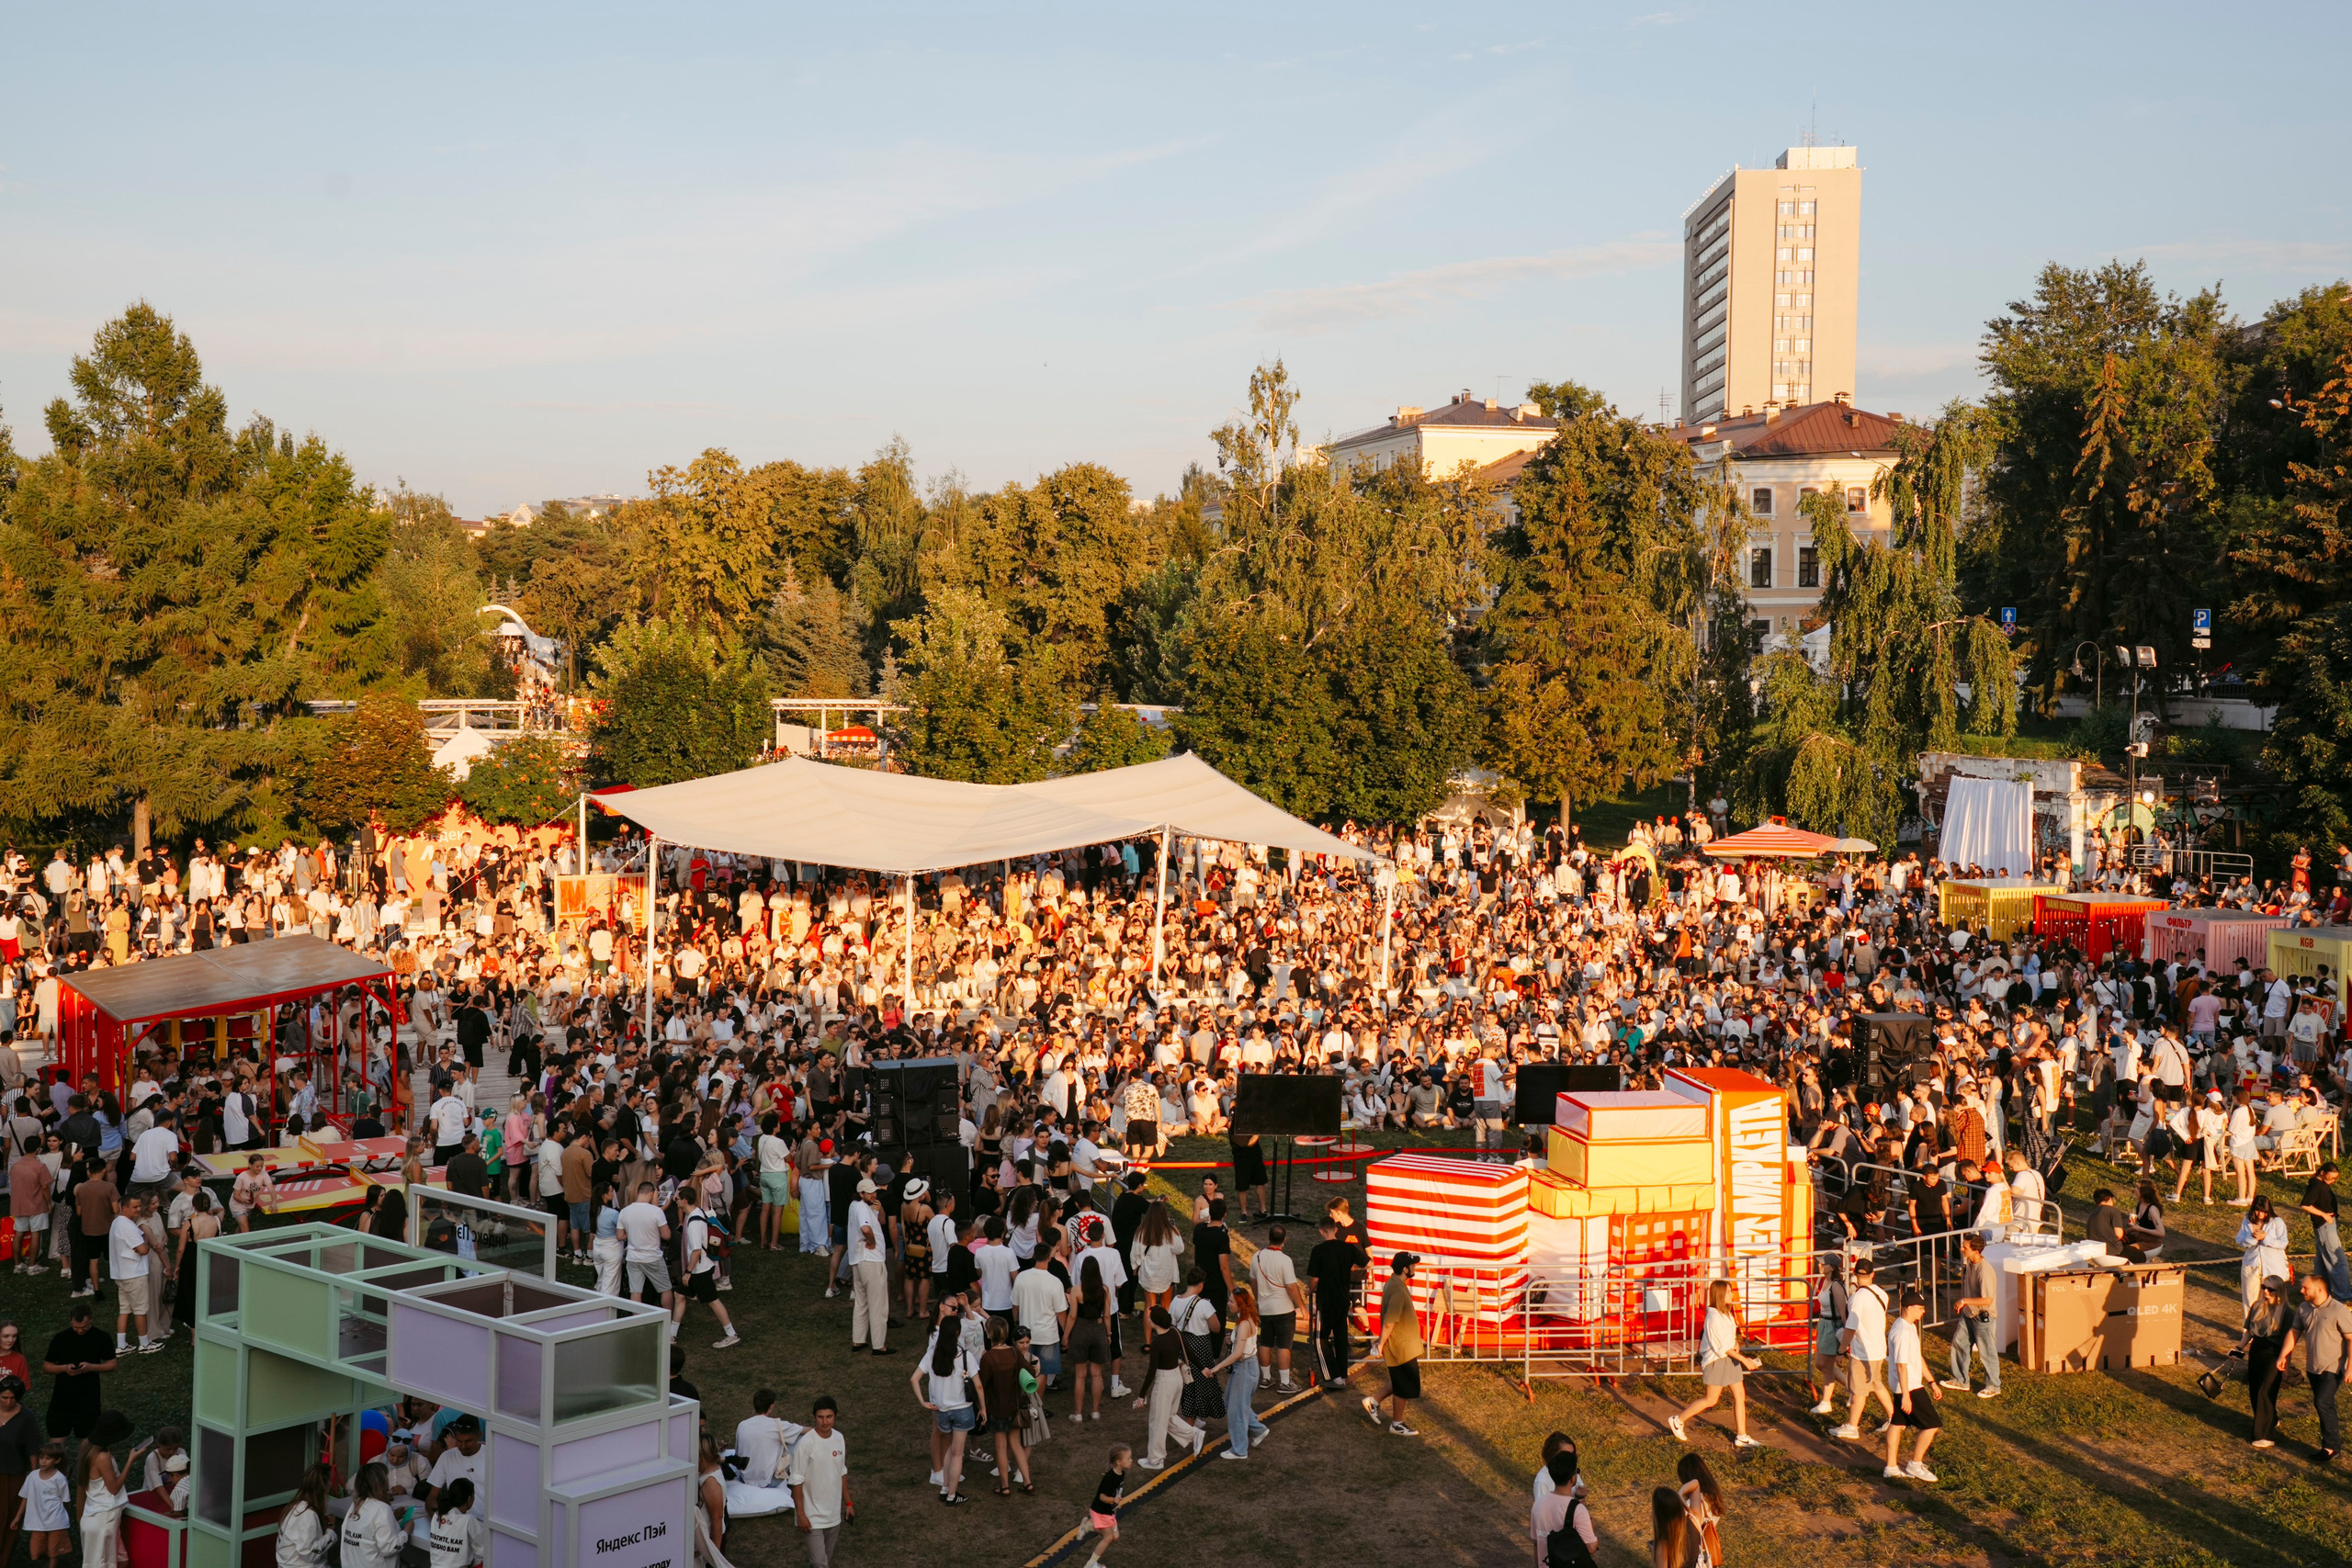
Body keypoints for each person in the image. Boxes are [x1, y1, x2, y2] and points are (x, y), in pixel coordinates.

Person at [1669, 1280, 1764, 1447]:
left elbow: (1728, 1339)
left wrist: (1736, 1344)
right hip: (1716, 1361)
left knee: (1740, 1395)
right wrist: (1743, 1360)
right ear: (1720, 1294)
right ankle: (1678, 1420)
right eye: (1728, 1292)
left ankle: (1742, 1435)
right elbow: (1720, 1347)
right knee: (1711, 1400)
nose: (1732, 1294)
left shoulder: (1727, 1313)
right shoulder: (1713, 1317)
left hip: (1730, 1358)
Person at [2277, 1270, 2349, 1462]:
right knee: (2324, 1404)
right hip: (2313, 1367)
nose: (2301, 1290)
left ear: (2319, 1289)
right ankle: (2331, 1444)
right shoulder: (2304, 1308)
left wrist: (2350, 1367)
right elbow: (2294, 1332)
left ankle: (2331, 1447)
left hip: (2333, 1368)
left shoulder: (2338, 1310)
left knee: (2322, 1402)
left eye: (2305, 1287)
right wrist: (2283, 1355)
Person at [911, 1301, 979, 1506]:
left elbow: (914, 1379)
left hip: (941, 1410)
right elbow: (979, 1386)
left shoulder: (932, 1354)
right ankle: (952, 1494)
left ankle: (944, 1487)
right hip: (962, 1410)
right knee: (957, 1453)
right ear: (957, 1333)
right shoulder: (964, 1356)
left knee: (950, 1449)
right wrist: (983, 1407)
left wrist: (923, 1402)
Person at [1830, 1258, 1894, 1441]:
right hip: (1878, 1348)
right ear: (1873, 1274)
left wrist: (1841, 1351)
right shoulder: (1881, 1293)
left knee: (1858, 1390)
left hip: (1863, 1350)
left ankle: (1852, 1426)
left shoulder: (1858, 1297)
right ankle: (1894, 1417)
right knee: (1875, 1382)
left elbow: (1851, 1327)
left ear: (1855, 1275)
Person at [1883, 1287, 1943, 1483]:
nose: (1923, 1312)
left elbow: (1917, 1357)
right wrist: (1907, 1395)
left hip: (1908, 1384)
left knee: (1897, 1423)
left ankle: (1891, 1467)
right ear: (1908, 1308)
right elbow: (1901, 1365)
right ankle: (1915, 1464)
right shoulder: (1901, 1331)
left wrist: (1932, 1381)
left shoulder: (1909, 1327)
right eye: (1920, 1308)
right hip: (1909, 1386)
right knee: (1932, 1424)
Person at [786, 1395, 852, 1567]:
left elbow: (841, 1472)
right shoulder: (806, 1443)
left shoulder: (839, 1438)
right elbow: (796, 1480)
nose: (825, 1421)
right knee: (820, 1563)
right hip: (811, 1516)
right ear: (814, 1417)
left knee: (823, 1560)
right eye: (820, 1417)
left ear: (835, 1416)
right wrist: (801, 1514)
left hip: (833, 1514)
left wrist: (849, 1503)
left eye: (829, 1417)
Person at [1207, 1284, 1270, 1459]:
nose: (1228, 1303)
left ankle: (1239, 1450)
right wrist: (1231, 1340)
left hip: (1244, 1369)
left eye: (1231, 1301)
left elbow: (1238, 1354)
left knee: (1237, 1411)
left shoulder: (1243, 1324)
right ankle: (1259, 1429)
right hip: (1245, 1368)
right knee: (1232, 1402)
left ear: (1240, 1304)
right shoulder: (1246, 1319)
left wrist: (1217, 1368)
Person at [1136, 1306, 1203, 1469]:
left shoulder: (1157, 1343)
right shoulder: (1174, 1332)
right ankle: (1194, 1434)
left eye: (1150, 1317)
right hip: (1176, 1379)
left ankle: (1156, 1459)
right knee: (1168, 1417)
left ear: (1156, 1323)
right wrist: (1202, 1368)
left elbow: (1151, 1372)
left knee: (1157, 1421)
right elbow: (1189, 1351)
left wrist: (1141, 1395)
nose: (1148, 1319)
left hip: (1164, 1382)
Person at [1365, 1252, 1423, 1438]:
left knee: (1400, 1379)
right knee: (1405, 1384)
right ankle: (1396, 1423)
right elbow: (1390, 1321)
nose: (1415, 1267)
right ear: (1405, 1269)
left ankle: (1373, 1401)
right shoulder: (1398, 1289)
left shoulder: (1394, 1283)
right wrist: (1381, 1343)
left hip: (1403, 1344)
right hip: (1401, 1346)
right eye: (1413, 1265)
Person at [976, 1316, 1035, 1494]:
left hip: (997, 1409)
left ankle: (1005, 1486)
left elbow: (982, 1384)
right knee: (1016, 1445)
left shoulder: (988, 1358)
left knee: (1001, 1447)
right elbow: (1030, 1371)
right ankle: (1027, 1482)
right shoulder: (1014, 1353)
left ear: (990, 1333)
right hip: (1015, 1407)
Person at [1306, 1215, 1363, 1391]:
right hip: (1343, 1298)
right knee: (1340, 1338)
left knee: (1320, 1338)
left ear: (1321, 1231)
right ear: (1336, 1229)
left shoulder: (1318, 1251)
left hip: (1326, 1299)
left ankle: (1333, 1376)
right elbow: (1367, 1263)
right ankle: (1343, 1376)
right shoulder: (1348, 1249)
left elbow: (1314, 1279)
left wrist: (1310, 1290)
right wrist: (1351, 1267)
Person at [40, 1303, 114, 1440]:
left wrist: (91, 1367)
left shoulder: (101, 1337)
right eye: (76, 1327)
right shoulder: (61, 1338)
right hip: (61, 1401)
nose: (80, 1331)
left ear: (91, 1320)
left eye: (84, 1327)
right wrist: (64, 1368)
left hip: (88, 1402)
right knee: (57, 1448)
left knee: (88, 1447)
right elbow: (46, 1367)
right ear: (71, 1322)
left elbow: (112, 1365)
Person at [675, 1193, 740, 1349]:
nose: (674, 1200)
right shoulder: (697, 1213)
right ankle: (671, 1335)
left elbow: (696, 1251)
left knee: (713, 1301)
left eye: (677, 1198)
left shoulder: (694, 1222)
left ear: (685, 1200)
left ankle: (731, 1335)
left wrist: (688, 1272)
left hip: (699, 1269)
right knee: (679, 1295)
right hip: (700, 1267)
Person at [1942, 1233, 2002, 1398]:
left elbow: (1988, 1300)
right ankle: (1960, 1380)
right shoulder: (1969, 1262)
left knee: (1987, 1352)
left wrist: (1964, 1301)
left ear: (1976, 1251)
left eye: (1965, 1247)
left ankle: (1994, 1386)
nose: (1961, 1249)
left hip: (1983, 1317)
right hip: (1969, 1314)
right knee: (1959, 1343)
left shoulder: (1985, 1271)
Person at [1250, 1224, 1306, 1393]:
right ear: (1284, 1240)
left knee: (1265, 1342)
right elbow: (1291, 1287)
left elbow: (1253, 1281)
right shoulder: (1285, 1260)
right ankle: (1285, 1381)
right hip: (1283, 1309)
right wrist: (1302, 1307)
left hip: (1265, 1308)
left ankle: (1265, 1378)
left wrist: (1258, 1298)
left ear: (1269, 1238)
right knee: (1283, 1345)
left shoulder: (1257, 1256)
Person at [2241, 1274, 2294, 1450]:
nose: (2265, 1291)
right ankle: (2271, 1419)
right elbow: (2249, 1331)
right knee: (2255, 1390)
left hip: (2275, 1353)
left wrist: (2284, 1361)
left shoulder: (2287, 1313)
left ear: (2279, 1292)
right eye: (2264, 1287)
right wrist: (2239, 1348)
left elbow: (2289, 1340)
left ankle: (2264, 1435)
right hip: (2257, 1350)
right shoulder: (2257, 1306)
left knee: (2265, 1390)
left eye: (2270, 1289)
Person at [75, 1408, 130, 1568]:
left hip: (98, 1516)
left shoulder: (89, 1448)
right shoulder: (103, 1457)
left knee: (122, 1560)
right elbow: (114, 1488)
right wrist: (130, 1461)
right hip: (103, 1518)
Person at [1531, 1440, 1597, 1568]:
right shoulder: (1578, 1510)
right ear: (1573, 1478)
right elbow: (1591, 1548)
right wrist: (1591, 1530)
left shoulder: (1538, 1504)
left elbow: (1536, 1542)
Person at [845, 1179, 890, 1356]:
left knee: (861, 1302)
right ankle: (879, 1345)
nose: (874, 1194)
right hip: (871, 1259)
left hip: (858, 1260)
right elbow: (865, 1229)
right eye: (870, 1192)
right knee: (878, 1304)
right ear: (861, 1194)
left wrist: (877, 1211)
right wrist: (872, 1241)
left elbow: (877, 1223)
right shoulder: (863, 1208)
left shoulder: (856, 1206)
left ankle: (859, 1340)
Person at [12, 1439, 72, 1568]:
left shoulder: (59, 1479)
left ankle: (52, 1563)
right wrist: (18, 1517)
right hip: (37, 1522)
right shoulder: (32, 1476)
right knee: (37, 1550)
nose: (43, 1461)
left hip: (56, 1522)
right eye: (41, 1458)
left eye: (48, 1458)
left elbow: (64, 1501)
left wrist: (61, 1518)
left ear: (57, 1460)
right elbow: (25, 1497)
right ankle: (47, 1560)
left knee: (54, 1552)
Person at [2300, 1164, 2350, 1303]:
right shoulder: (2317, 1186)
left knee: (2322, 1261)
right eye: (2330, 1178)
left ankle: (2318, 1291)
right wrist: (2324, 1215)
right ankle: (2344, 1296)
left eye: (2334, 1179)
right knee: (2338, 1262)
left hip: (2327, 1226)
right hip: (2325, 1227)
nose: (2332, 1181)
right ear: (2322, 1173)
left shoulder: (2320, 1183)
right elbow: (2305, 1204)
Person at [734, 1389, 801, 1491]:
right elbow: (805, 1430)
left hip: (745, 1478)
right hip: (769, 1482)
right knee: (799, 1438)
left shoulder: (742, 1425)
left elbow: (738, 1452)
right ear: (771, 1407)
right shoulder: (776, 1426)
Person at [1078, 1442, 1131, 1568]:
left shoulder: (1121, 1473)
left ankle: (1088, 1526)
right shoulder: (1110, 1478)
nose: (1131, 1461)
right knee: (1108, 1538)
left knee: (1115, 1537)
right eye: (1128, 1459)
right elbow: (1102, 1497)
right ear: (1119, 1462)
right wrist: (1113, 1499)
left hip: (1110, 1511)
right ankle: (1091, 1565)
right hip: (1101, 1511)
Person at [341, 1462, 403, 1568]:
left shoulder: (356, 1504)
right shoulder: (382, 1509)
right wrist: (406, 1532)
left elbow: (368, 1529)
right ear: (381, 1482)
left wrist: (392, 1518)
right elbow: (389, 1549)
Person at [277, 1463, 335, 1568]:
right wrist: (330, 1532)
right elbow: (308, 1553)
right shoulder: (308, 1514)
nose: (332, 1483)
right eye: (331, 1480)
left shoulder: (296, 1506)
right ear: (323, 1484)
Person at [2239, 1196, 2290, 1312]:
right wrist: (2252, 1238)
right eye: (2258, 1210)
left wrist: (2266, 1238)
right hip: (2251, 1264)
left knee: (2273, 1300)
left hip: (2272, 1266)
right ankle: (2248, 1328)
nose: (2260, 1214)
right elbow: (2240, 1240)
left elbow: (2283, 1243)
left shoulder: (2277, 1222)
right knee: (2250, 1299)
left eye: (2264, 1211)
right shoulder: (2247, 1220)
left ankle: (2274, 1327)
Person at [1675, 1453, 1725, 1568]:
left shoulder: (1690, 1505)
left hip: (1690, 1556)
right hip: (1706, 1555)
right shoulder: (1713, 1498)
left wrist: (1681, 1494)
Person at [1648, 1484, 1700, 1568]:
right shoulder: (1694, 1520)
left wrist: (1654, 1554)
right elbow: (1696, 1485)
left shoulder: (1663, 1545)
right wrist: (1680, 1493)